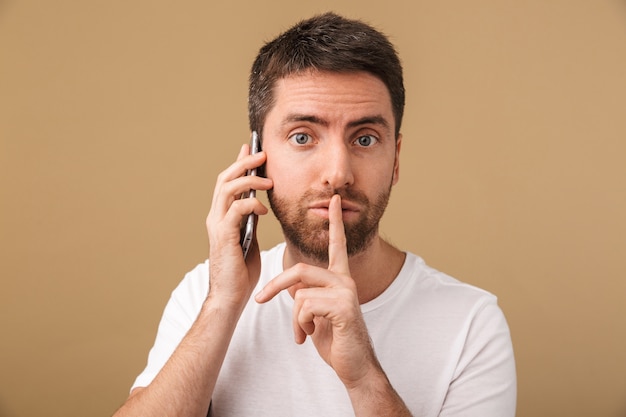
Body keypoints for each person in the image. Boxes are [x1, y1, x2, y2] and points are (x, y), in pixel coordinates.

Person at [114, 12, 516, 417]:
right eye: (303, 137)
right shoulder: (206, 291)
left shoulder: (471, 323)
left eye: (365, 138)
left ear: (395, 160)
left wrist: (363, 379)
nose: (337, 173)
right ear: (258, 160)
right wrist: (222, 304)